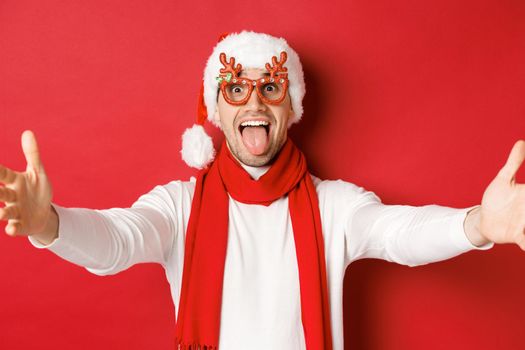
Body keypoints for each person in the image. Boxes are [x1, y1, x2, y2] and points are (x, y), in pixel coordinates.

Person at [1, 31, 524, 350]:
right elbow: (117, 241)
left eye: (270, 87)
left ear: (290, 107)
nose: (253, 102)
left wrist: (479, 224)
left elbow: (400, 234)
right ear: (216, 108)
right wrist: (50, 225)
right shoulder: (179, 207)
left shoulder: (333, 206)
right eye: (236, 88)